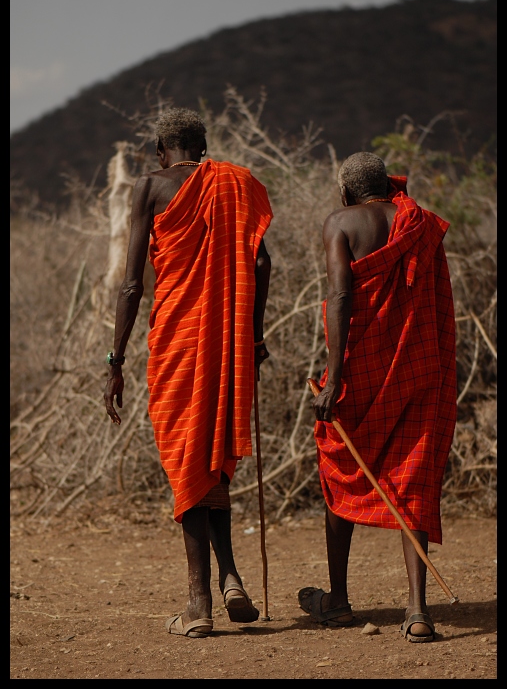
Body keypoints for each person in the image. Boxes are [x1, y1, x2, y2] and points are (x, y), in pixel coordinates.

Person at [103, 107, 273, 638]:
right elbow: (262, 263)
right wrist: (255, 333)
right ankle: (229, 576)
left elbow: (131, 284)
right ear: (203, 146)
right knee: (212, 456)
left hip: (177, 338)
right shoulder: (237, 183)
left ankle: (199, 604)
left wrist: (116, 359)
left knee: (185, 458)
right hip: (227, 339)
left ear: (160, 151)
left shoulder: (150, 187)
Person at [298, 152, 456, 643]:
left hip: (360, 368)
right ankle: (417, 611)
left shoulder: (341, 222)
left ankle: (339, 600)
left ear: (346, 192)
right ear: (388, 187)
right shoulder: (420, 225)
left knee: (338, 465)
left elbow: (341, 297)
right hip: (418, 364)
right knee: (412, 478)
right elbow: (435, 299)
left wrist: (335, 376)